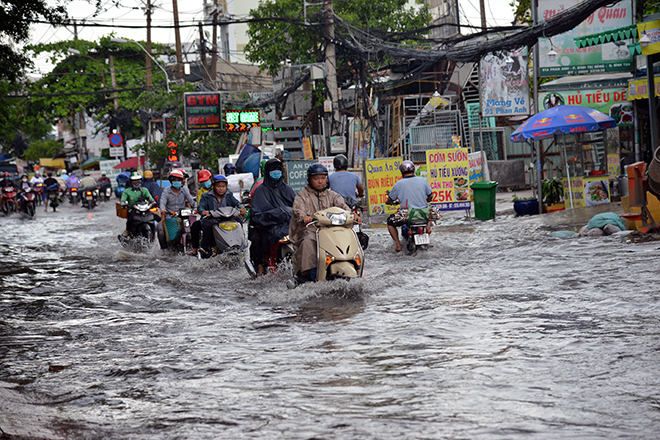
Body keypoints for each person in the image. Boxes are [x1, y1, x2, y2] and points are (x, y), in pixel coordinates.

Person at [289, 163, 359, 282]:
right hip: (311, 230)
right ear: (309, 180)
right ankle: (311, 273)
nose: (320, 181)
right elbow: (298, 210)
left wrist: (354, 215)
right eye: (316, 178)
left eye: (323, 178)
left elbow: (343, 207)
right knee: (308, 241)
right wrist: (304, 217)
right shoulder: (302, 196)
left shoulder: (333, 195)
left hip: (332, 231)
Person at [249, 158, 296, 275]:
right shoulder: (261, 190)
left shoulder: (287, 189)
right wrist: (272, 215)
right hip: (267, 225)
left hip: (286, 225)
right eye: (273, 170)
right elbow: (257, 213)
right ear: (267, 172)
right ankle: (260, 266)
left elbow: (297, 206)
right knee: (258, 240)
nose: (276, 172)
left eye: (278, 170)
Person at [385, 160, 433, 253]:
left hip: (407, 215)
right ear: (413, 170)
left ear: (401, 172)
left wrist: (389, 202)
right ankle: (427, 239)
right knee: (428, 217)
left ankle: (398, 245)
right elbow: (430, 195)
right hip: (423, 213)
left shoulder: (399, 184)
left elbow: (390, 199)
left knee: (390, 222)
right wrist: (427, 200)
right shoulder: (422, 180)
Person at [193, 174, 246, 258]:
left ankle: (241, 242)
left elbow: (237, 203)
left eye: (223, 186)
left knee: (239, 221)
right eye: (218, 186)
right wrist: (204, 212)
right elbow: (200, 207)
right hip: (213, 219)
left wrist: (242, 208)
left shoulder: (229, 195)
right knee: (207, 225)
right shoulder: (206, 196)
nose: (221, 188)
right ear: (213, 186)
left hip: (228, 218)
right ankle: (205, 247)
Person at [158, 169, 195, 249]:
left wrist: (196, 207)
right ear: (171, 181)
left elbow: (191, 201)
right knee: (160, 229)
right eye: (175, 180)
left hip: (183, 216)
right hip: (170, 217)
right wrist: (163, 210)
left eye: (179, 180)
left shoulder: (184, 190)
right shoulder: (166, 191)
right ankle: (164, 249)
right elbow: (162, 203)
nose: (177, 182)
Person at [120, 172, 155, 237]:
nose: (137, 182)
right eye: (135, 180)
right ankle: (127, 231)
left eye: (139, 180)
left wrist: (153, 202)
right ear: (131, 181)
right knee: (130, 219)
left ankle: (154, 232)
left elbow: (151, 199)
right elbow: (122, 201)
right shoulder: (127, 191)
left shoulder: (145, 190)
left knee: (155, 216)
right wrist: (124, 204)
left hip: (144, 210)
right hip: (133, 210)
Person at [187, 170, 213, 256]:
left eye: (206, 180)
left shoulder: (216, 188)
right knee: (194, 226)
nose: (205, 183)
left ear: (211, 178)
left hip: (220, 214)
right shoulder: (200, 192)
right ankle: (195, 248)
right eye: (203, 181)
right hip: (207, 216)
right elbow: (199, 205)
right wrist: (203, 211)